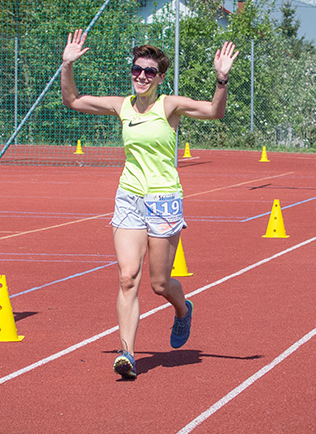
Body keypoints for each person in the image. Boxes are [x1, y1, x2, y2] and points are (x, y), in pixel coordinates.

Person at [61, 29, 238, 380]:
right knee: (127, 278)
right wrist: (67, 65)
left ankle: (183, 309)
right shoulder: (121, 105)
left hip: (164, 199)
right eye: (137, 70)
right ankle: (127, 352)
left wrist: (221, 78)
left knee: (159, 284)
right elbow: (73, 101)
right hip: (129, 197)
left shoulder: (169, 106)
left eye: (149, 72)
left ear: (159, 77)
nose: (141, 76)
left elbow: (215, 112)